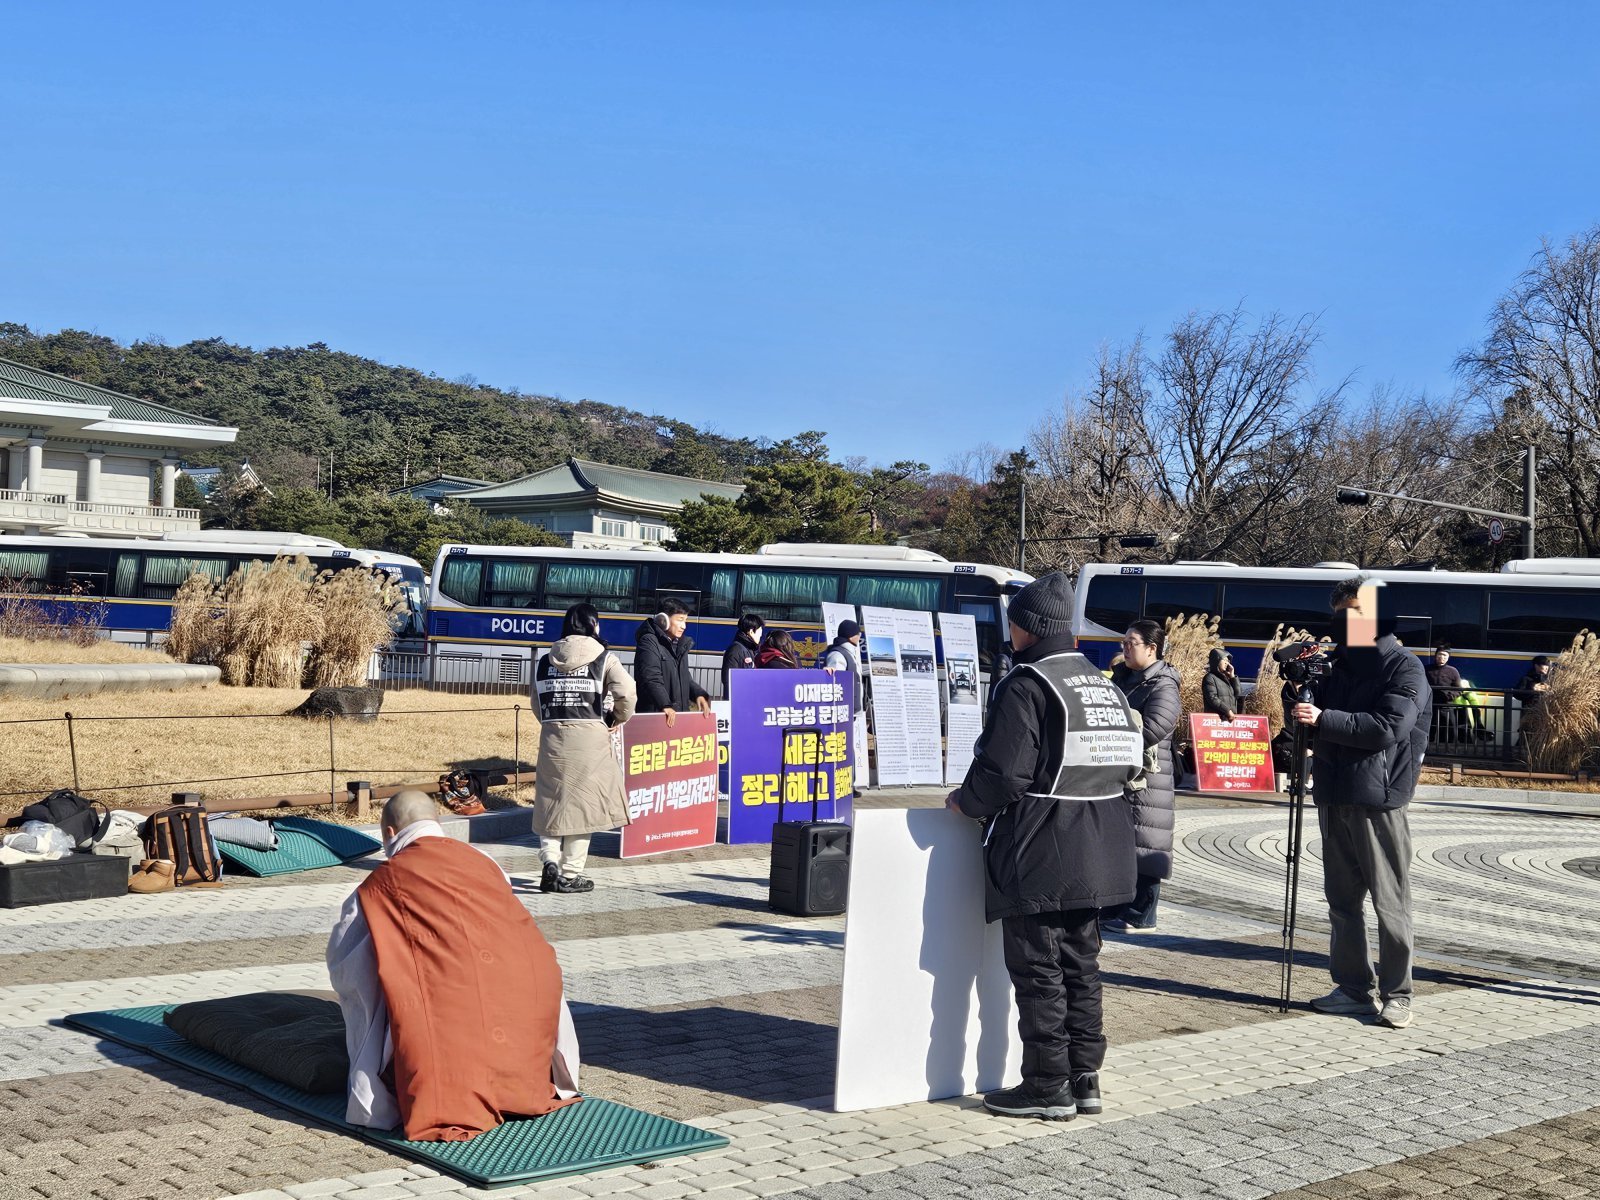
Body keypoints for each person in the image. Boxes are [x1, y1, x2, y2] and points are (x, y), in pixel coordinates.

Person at [948, 571, 1144, 1121]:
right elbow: (1130, 763)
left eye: (1012, 621)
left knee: (1039, 971)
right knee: (1082, 965)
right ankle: (1085, 1079)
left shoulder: (1028, 683)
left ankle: (1045, 1085)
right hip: (1103, 847)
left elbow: (1004, 774)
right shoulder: (1101, 683)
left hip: (1040, 846)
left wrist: (965, 801)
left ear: (1027, 627)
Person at [326, 791, 581, 1140]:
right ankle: (518, 1084)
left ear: (388, 833)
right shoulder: (486, 863)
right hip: (530, 1010)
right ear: (438, 823)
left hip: (448, 1036)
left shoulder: (379, 885)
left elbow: (347, 966)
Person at [1291, 575, 1430, 1031]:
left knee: (1390, 902)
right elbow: (1310, 724)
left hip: (1379, 799)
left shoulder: (1404, 666)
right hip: (1333, 794)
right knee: (1342, 902)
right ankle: (1352, 988)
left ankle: (1398, 994)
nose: (1345, 622)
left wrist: (1323, 716)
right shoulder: (1338, 665)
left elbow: (1386, 727)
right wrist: (1298, 691)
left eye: (1354, 611)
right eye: (1339, 614)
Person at [533, 604, 636, 894]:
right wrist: (616, 718)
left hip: (552, 736)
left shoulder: (545, 659)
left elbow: (536, 703)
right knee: (583, 806)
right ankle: (569, 874)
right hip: (590, 737)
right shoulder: (604, 658)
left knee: (550, 802)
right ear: (594, 625)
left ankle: (549, 861)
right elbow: (627, 693)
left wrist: (553, 721)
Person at [1102, 620, 1181, 933]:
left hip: (1149, 776)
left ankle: (1142, 912)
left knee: (1147, 841)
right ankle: (1118, 907)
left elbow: (1156, 726)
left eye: (1131, 642)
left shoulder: (1164, 683)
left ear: (1152, 648)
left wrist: (1116, 741)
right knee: (1123, 841)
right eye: (1123, 642)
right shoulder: (1123, 678)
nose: (1125, 648)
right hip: (1122, 771)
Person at [634, 598, 711, 725]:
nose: (684, 626)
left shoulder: (681, 644)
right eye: (680, 620)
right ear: (663, 620)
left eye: (685, 621)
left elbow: (685, 678)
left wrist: (698, 694)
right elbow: (650, 677)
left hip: (678, 717)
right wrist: (665, 705)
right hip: (657, 717)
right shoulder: (648, 641)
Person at [822, 619, 864, 713]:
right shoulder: (838, 654)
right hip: (842, 711)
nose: (859, 637)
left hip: (849, 709)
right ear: (851, 637)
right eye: (859, 634)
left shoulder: (848, 652)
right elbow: (835, 684)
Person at [1424, 645, 1464, 743]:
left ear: (1448, 657)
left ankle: (1446, 753)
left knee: (1448, 732)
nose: (1442, 657)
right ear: (1435, 655)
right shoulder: (1426, 669)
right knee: (1428, 732)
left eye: (1444, 655)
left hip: (1446, 706)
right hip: (1429, 706)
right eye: (1439, 655)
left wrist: (1449, 696)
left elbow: (1459, 689)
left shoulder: (1453, 671)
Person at [721, 613, 764, 696]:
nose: (760, 637)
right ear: (751, 632)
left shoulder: (748, 648)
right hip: (738, 700)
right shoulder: (736, 650)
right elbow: (729, 680)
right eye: (759, 634)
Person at [1203, 648, 1243, 722]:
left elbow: (1238, 695)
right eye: (1224, 660)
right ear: (1216, 661)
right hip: (1216, 721)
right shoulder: (1210, 678)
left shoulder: (1227, 679)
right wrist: (1227, 711)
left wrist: (1232, 677)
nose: (1227, 663)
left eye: (1228, 661)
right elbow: (1212, 698)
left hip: (1230, 720)